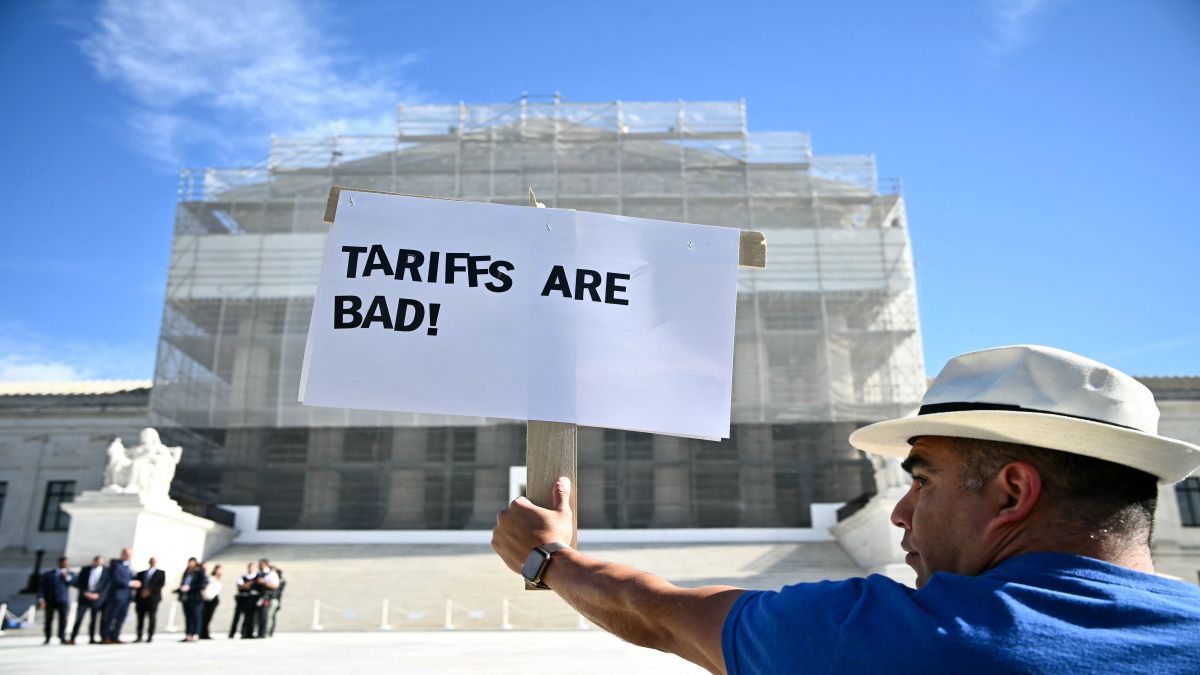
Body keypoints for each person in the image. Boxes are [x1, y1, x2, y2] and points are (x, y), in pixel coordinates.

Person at [492, 345, 1200, 674]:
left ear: (1012, 492)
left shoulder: (903, 641)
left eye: (922, 480)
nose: (899, 514)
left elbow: (660, 613)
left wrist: (549, 558)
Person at [100, 547, 142, 643]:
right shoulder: (116, 565)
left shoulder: (128, 567)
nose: (128, 556)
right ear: (122, 554)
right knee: (111, 617)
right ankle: (106, 636)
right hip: (116, 596)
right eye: (126, 554)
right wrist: (131, 583)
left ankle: (115, 636)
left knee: (121, 617)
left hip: (127, 597)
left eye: (130, 554)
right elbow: (116, 578)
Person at [71, 555, 109, 644]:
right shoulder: (85, 570)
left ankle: (92, 638)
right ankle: (73, 637)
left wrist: (98, 594)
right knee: (79, 618)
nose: (98, 563)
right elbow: (79, 582)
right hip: (85, 597)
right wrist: (85, 592)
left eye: (100, 561)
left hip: (97, 598)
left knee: (94, 619)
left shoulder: (106, 571)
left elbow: (106, 585)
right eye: (96, 561)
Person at [37, 556, 75, 645]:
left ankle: (62, 637)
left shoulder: (70, 574)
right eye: (64, 563)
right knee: (49, 619)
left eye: (67, 563)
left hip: (63, 600)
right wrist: (41, 599)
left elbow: (75, 583)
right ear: (60, 563)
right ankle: (47, 637)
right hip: (50, 600)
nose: (66, 564)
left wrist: (67, 577)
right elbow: (42, 587)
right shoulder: (48, 574)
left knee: (63, 619)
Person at [134, 556, 165, 643]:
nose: (153, 563)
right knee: (140, 618)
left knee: (152, 617)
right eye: (151, 561)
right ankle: (139, 636)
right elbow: (138, 584)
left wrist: (149, 591)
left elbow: (160, 585)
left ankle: (150, 636)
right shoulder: (141, 573)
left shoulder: (161, 573)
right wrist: (142, 592)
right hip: (141, 599)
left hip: (153, 599)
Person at [176, 557, 207, 642]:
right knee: (188, 617)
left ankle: (196, 634)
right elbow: (183, 584)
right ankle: (188, 634)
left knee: (196, 616)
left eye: (192, 562)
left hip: (196, 598)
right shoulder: (186, 573)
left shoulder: (199, 572)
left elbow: (202, 585)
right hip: (186, 598)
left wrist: (190, 588)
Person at [229, 562, 258, 638]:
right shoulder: (243, 577)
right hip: (242, 598)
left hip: (251, 599)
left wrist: (245, 586)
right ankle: (232, 633)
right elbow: (240, 587)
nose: (251, 569)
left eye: (253, 567)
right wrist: (249, 584)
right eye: (250, 567)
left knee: (249, 617)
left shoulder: (257, 577)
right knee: (237, 616)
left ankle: (245, 633)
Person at [252, 558, 280, 638]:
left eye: (260, 564)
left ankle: (265, 633)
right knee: (260, 615)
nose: (259, 566)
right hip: (259, 597)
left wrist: (264, 582)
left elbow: (275, 585)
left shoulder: (271, 574)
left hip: (267, 598)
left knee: (266, 615)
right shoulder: (259, 574)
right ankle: (259, 632)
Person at [200, 563, 223, 639]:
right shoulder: (210, 578)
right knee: (205, 617)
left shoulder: (218, 579)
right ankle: (203, 633)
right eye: (218, 570)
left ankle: (205, 633)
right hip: (207, 599)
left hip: (214, 599)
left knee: (208, 617)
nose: (220, 571)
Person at [265, 567, 285, 637]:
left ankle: (269, 632)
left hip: (274, 599)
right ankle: (268, 631)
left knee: (270, 616)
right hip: (268, 599)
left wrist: (267, 583)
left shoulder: (281, 581)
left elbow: (275, 589)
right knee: (269, 615)